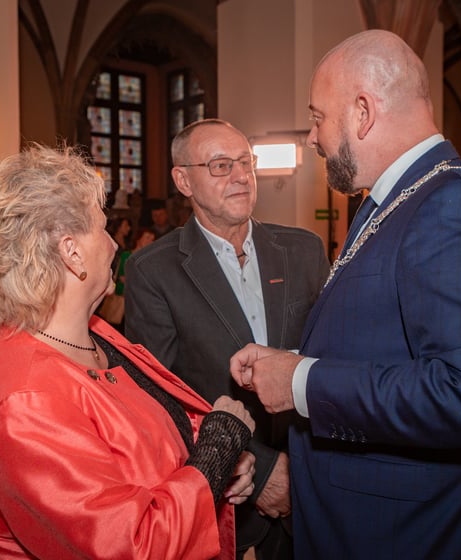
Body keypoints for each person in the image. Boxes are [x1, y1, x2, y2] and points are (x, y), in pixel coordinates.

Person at [229, 30, 461, 559]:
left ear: (363, 112)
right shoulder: (394, 202)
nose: (312, 137)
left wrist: (301, 382)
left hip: (416, 534)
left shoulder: (459, 204)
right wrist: (290, 362)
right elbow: (387, 344)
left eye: (318, 117)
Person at [0, 143, 257, 559]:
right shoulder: (28, 401)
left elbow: (148, 438)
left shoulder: (94, 334)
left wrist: (218, 471)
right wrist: (218, 448)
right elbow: (131, 546)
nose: (114, 244)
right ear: (71, 252)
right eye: (101, 227)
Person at [125, 118, 329, 559]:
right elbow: (160, 397)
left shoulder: (304, 250)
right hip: (228, 490)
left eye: (245, 162)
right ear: (183, 180)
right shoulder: (152, 270)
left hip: (313, 477)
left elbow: (330, 358)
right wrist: (263, 469)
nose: (240, 176)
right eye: (220, 165)